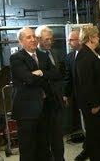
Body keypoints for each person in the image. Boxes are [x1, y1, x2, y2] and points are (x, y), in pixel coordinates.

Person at [10, 27, 61, 161]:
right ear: (21, 41)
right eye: (28, 37)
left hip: (45, 107)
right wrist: (42, 76)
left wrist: (41, 73)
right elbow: (29, 79)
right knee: (28, 149)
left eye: (34, 36)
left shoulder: (43, 55)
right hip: (26, 111)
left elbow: (56, 74)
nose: (33, 39)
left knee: (43, 146)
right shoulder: (16, 58)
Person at [75, 25, 100, 161]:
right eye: (97, 35)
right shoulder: (83, 55)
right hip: (94, 107)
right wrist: (94, 104)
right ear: (90, 37)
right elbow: (86, 83)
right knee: (96, 139)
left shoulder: (98, 52)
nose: (99, 38)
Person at [35, 25, 65, 161]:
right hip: (42, 102)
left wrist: (63, 94)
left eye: (51, 39)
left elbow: (60, 75)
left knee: (58, 135)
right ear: (39, 39)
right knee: (44, 136)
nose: (49, 42)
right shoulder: (34, 56)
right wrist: (49, 74)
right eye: (46, 39)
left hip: (56, 100)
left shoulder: (56, 53)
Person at [63, 28, 89, 161]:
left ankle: (90, 148)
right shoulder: (69, 57)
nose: (68, 43)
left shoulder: (92, 53)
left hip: (93, 98)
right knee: (85, 124)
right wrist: (66, 94)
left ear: (80, 40)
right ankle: (88, 148)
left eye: (71, 40)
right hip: (79, 98)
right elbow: (68, 77)